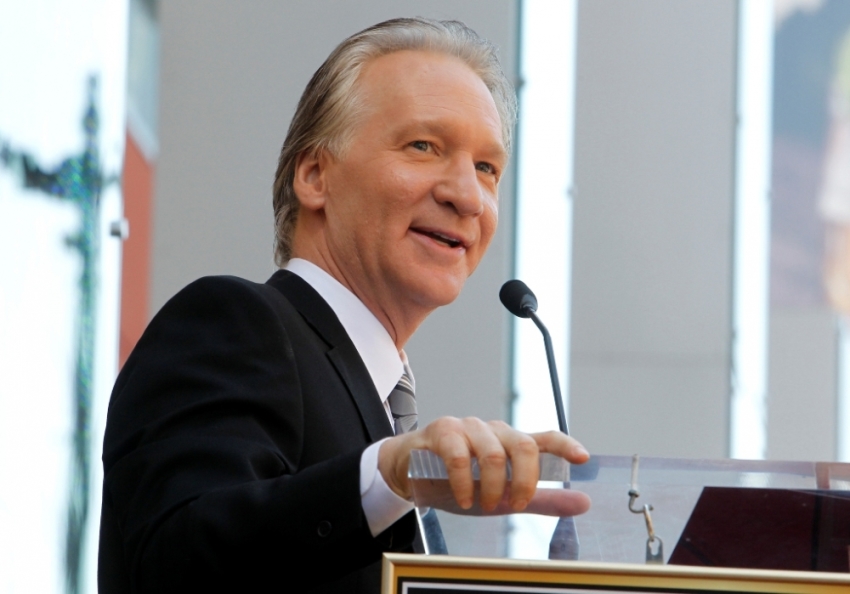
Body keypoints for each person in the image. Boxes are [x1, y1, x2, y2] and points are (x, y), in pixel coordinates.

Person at [98, 17, 591, 594]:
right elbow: (173, 563)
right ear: (314, 176)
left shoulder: (386, 416)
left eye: (487, 168)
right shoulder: (234, 322)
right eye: (423, 146)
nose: (466, 195)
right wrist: (387, 474)